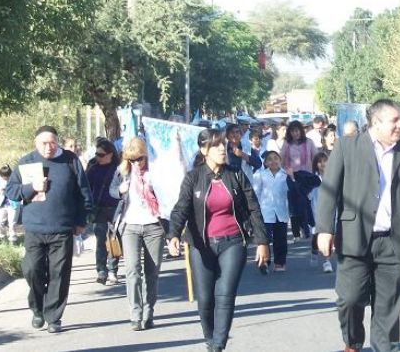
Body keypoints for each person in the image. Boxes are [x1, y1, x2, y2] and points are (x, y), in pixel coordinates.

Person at [316, 99, 400, 352]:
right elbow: (329, 191)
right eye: (394, 120)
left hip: (393, 241)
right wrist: (324, 228)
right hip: (355, 238)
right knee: (350, 299)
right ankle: (352, 342)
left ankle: (385, 348)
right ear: (376, 123)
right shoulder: (347, 147)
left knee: (388, 305)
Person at [167, 129, 269, 352]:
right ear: (204, 150)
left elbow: (253, 208)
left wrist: (262, 242)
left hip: (232, 242)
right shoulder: (193, 178)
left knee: (224, 295)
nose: (223, 149)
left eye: (223, 145)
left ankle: (218, 346)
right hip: (201, 245)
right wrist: (173, 234)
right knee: (205, 299)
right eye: (216, 146)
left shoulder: (236, 175)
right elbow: (181, 208)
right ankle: (210, 339)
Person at [5, 126, 93, 334]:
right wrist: (32, 187)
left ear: (58, 142)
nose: (48, 147)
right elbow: (12, 191)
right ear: (36, 144)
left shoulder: (70, 161)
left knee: (59, 273)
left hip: (62, 228)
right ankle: (37, 308)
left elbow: (84, 193)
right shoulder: (27, 162)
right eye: (43, 143)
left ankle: (53, 317)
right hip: (35, 228)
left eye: (52, 142)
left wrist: (82, 220)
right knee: (33, 270)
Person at [110, 137, 165, 331]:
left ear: (146, 156)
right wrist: (119, 190)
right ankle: (135, 314)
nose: (136, 163)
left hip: (154, 226)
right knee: (132, 271)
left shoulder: (156, 171)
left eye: (139, 159)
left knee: (153, 273)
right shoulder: (123, 171)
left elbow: (169, 193)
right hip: (130, 225)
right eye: (131, 159)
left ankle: (148, 312)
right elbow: (111, 191)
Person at [86, 138, 121, 285]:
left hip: (115, 209)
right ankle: (101, 270)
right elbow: (86, 188)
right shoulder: (92, 168)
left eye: (101, 155)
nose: (98, 157)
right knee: (100, 240)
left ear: (110, 154)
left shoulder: (118, 169)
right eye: (96, 154)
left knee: (113, 240)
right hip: (98, 209)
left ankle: (113, 270)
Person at [252, 150, 290, 272]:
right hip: (265, 211)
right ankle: (264, 261)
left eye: (276, 158)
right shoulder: (260, 174)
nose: (273, 161)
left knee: (281, 239)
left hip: (281, 211)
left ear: (280, 160)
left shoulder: (285, 175)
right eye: (270, 159)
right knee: (265, 237)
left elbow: (291, 192)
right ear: (266, 163)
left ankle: (280, 262)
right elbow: (256, 192)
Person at [282, 120, 318, 241]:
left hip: (307, 176)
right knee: (295, 205)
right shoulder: (287, 143)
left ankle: (308, 226)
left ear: (301, 131)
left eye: (297, 130)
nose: (295, 133)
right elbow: (282, 159)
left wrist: (316, 173)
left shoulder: (309, 142)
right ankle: (299, 231)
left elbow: (316, 157)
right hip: (293, 176)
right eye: (292, 131)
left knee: (305, 202)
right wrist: (288, 171)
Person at [308, 152, 333, 272]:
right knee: (316, 238)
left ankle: (327, 261)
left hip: (332, 211)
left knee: (329, 236)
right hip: (316, 212)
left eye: (325, 161)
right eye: (320, 161)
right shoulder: (313, 179)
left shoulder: (334, 177)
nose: (323, 164)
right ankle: (314, 250)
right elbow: (307, 196)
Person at [0, 165, 22, 245]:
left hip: (13, 203)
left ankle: (12, 240)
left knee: (12, 223)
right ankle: (2, 238)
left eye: (5, 177)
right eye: (2, 176)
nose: (4, 178)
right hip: (2, 204)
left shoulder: (15, 177)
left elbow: (21, 187)